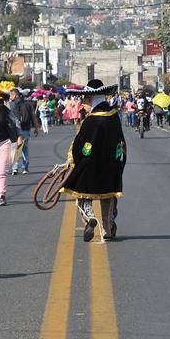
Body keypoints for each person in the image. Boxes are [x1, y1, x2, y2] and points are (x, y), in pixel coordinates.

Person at [59, 79, 126, 242]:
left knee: (81, 192)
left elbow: (82, 145)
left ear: (90, 100)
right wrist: (119, 162)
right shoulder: (114, 117)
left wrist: (73, 160)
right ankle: (108, 228)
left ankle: (90, 217)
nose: (83, 105)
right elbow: (121, 142)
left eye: (85, 101)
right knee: (108, 196)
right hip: (111, 166)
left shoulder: (91, 120)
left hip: (91, 166)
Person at [8, 88, 37, 175]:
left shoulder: (11, 104)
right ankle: (25, 167)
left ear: (15, 95)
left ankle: (15, 168)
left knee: (14, 148)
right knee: (25, 149)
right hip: (26, 129)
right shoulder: (28, 104)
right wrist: (36, 127)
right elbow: (33, 116)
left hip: (15, 130)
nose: (10, 97)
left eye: (11, 95)